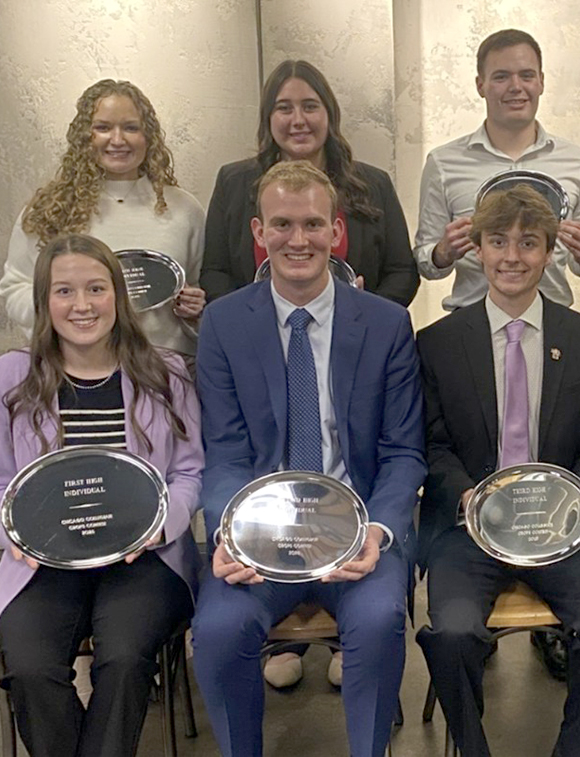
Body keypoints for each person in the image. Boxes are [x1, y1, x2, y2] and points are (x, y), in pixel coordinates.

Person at [190, 160, 425, 757]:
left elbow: (403, 452)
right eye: (282, 224)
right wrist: (230, 532)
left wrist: (378, 531)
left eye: (314, 224)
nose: (299, 239)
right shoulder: (223, 323)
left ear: (336, 231)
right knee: (217, 630)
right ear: (258, 232)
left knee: (379, 621)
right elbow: (224, 452)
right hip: (262, 537)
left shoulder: (387, 324)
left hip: (356, 533)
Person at [415, 185, 580, 756]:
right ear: (477, 250)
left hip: (559, 529)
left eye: (529, 243)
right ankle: (472, 748)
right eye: (498, 242)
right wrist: (467, 496)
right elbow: (432, 444)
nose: (512, 256)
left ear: (550, 252)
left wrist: (572, 499)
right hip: (467, 531)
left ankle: (574, 746)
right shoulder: (437, 343)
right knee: (452, 633)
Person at [0, 233, 203, 757]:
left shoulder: (166, 373)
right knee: (30, 667)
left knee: (123, 660)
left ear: (118, 296)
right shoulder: (8, 377)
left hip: (144, 560)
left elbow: (190, 472)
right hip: (44, 562)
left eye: (96, 288)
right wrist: (17, 535)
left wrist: (159, 527)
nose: (82, 305)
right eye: (64, 291)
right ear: (44, 301)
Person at [0, 80, 206, 358]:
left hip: (164, 367)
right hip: (74, 368)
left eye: (131, 128)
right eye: (103, 127)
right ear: (84, 136)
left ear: (149, 136)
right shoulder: (49, 208)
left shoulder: (185, 209)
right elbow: (15, 288)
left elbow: (198, 291)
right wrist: (67, 310)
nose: (118, 140)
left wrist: (194, 310)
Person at [414, 28, 580, 312]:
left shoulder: (575, 161)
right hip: (470, 323)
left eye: (526, 75)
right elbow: (426, 263)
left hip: (554, 323)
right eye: (501, 77)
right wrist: (443, 252)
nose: (516, 87)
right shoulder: (443, 163)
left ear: (541, 82)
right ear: (480, 85)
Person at [201, 59, 418, 307]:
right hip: (252, 328)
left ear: (330, 114)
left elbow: (402, 273)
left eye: (310, 107)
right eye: (284, 108)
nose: (298, 120)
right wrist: (246, 317)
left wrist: (365, 310)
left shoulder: (375, 184)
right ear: (268, 118)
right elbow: (215, 273)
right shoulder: (232, 183)